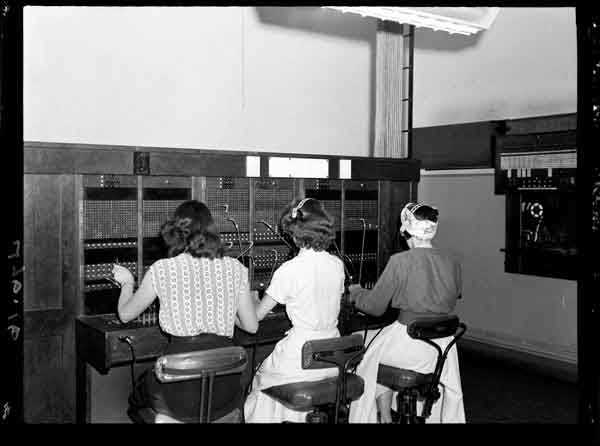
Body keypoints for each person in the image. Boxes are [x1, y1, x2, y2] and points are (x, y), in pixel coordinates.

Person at [112, 200, 258, 423]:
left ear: (177, 232)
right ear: (211, 230)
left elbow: (125, 314)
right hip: (225, 392)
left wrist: (127, 283)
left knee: (137, 397)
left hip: (179, 394)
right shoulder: (236, 268)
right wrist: (227, 310)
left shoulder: (162, 269)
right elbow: (251, 326)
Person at [348, 202, 465, 424]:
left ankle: (381, 416)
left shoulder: (400, 261)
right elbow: (452, 295)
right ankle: (385, 414)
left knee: (366, 353)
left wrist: (357, 293)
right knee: (378, 347)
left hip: (410, 345)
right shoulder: (452, 261)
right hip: (442, 350)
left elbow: (374, 307)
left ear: (405, 230)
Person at [244, 197, 346, 423]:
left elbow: (257, 316)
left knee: (260, 382)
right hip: (333, 357)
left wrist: (246, 299)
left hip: (301, 357)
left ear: (295, 234)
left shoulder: (290, 269)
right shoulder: (337, 265)